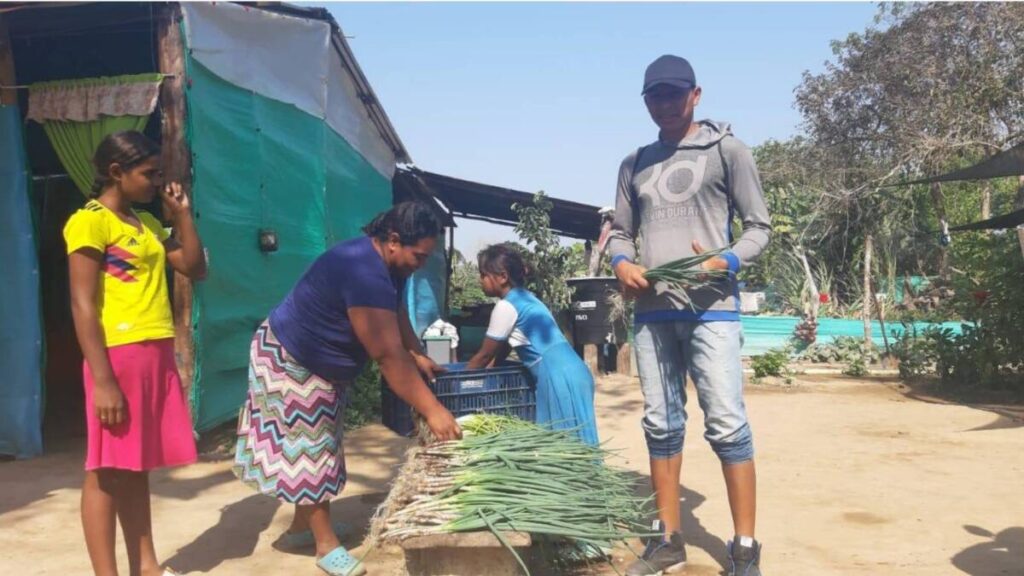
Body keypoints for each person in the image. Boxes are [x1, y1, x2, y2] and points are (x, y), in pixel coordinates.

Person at [232, 202, 461, 576]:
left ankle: (300, 528)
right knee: (311, 450)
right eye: (418, 255)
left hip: (321, 364)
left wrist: (416, 352)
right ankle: (326, 547)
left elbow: (396, 308)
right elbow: (387, 357)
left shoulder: (393, 267)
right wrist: (433, 410)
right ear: (392, 240)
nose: (421, 263)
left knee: (320, 442)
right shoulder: (362, 270)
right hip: (292, 359)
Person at [609, 55, 772, 576]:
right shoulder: (634, 163)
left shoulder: (728, 151)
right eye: (654, 96)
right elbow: (618, 230)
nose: (664, 104)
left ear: (695, 95)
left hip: (712, 311)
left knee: (725, 424)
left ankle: (744, 545)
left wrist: (723, 260)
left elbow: (758, 228)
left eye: (673, 95)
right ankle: (668, 538)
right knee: (661, 424)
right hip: (654, 313)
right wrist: (621, 262)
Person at [65, 131, 208, 576]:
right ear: (116, 173)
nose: (156, 182)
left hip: (154, 351)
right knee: (106, 468)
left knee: (136, 466)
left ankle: (145, 567)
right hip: (118, 357)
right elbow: (83, 304)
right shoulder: (90, 221)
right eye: (148, 174)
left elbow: (194, 267)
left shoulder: (145, 224)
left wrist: (181, 215)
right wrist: (103, 380)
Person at [465, 244, 599, 446]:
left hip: (557, 376)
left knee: (563, 451)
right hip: (575, 370)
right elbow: (505, 347)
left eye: (483, 275)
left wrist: (463, 380)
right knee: (578, 447)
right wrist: (493, 366)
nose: (480, 280)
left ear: (502, 277)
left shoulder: (506, 306)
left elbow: (484, 356)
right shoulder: (528, 299)